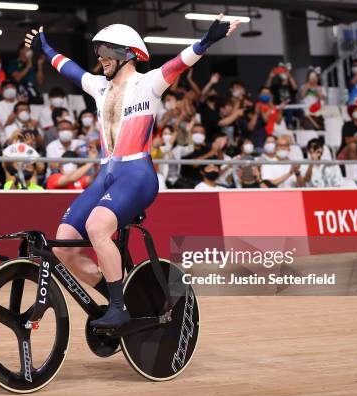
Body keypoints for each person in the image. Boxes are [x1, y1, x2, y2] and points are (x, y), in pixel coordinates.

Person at [25, 15, 240, 327]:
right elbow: (69, 68)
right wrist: (45, 49)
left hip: (137, 174)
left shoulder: (147, 83)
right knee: (64, 244)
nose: (99, 59)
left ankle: (119, 309)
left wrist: (207, 41)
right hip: (107, 174)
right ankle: (121, 295)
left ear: (126, 53)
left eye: (105, 53)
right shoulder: (99, 87)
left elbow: (180, 63)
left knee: (98, 228)